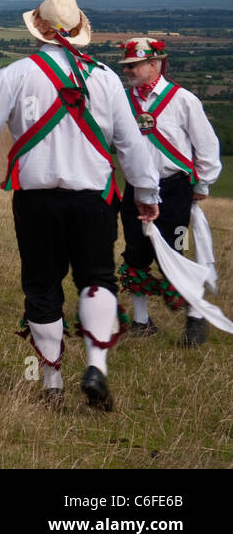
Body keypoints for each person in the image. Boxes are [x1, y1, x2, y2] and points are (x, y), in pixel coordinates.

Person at [0, 0, 160, 411]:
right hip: (95, 201)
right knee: (97, 281)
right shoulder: (104, 77)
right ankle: (96, 366)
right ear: (78, 30)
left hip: (37, 202)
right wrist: (148, 194)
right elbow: (131, 144)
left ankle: (52, 381)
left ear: (40, 29)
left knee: (42, 285)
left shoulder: (18, 73)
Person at [115, 36, 223, 347]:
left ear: (154, 64)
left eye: (133, 65)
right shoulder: (122, 100)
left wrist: (202, 183)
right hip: (135, 189)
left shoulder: (184, 100)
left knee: (174, 254)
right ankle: (140, 321)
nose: (128, 70)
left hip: (174, 188)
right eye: (126, 65)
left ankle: (195, 317)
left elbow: (206, 145)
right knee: (135, 253)